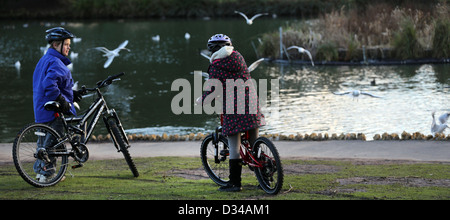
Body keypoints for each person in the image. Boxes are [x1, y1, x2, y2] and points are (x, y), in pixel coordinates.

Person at [198, 34, 265, 192]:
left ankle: (235, 183)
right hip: (252, 102)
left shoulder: (216, 65)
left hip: (234, 108)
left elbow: (213, 88)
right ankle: (265, 178)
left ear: (212, 50)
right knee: (254, 143)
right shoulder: (238, 56)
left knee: (235, 146)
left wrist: (202, 100)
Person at [32, 27, 82, 182]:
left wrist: (72, 94)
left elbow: (52, 84)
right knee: (52, 143)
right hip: (53, 109)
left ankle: (40, 173)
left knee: (43, 143)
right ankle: (48, 175)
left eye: (68, 44)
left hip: (41, 108)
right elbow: (49, 85)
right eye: (66, 44)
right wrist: (63, 101)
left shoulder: (45, 59)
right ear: (55, 45)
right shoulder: (56, 62)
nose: (69, 47)